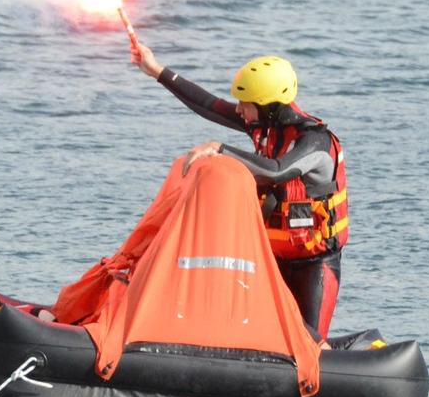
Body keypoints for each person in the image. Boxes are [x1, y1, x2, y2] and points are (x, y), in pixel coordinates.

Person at [130, 39, 349, 342]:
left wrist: (220, 148)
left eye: (245, 105)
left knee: (310, 342)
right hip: (272, 260)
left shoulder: (316, 142)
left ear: (269, 106)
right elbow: (209, 105)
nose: (239, 110)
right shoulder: (263, 124)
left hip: (314, 266)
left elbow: (277, 170)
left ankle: (357, 355)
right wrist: (156, 70)